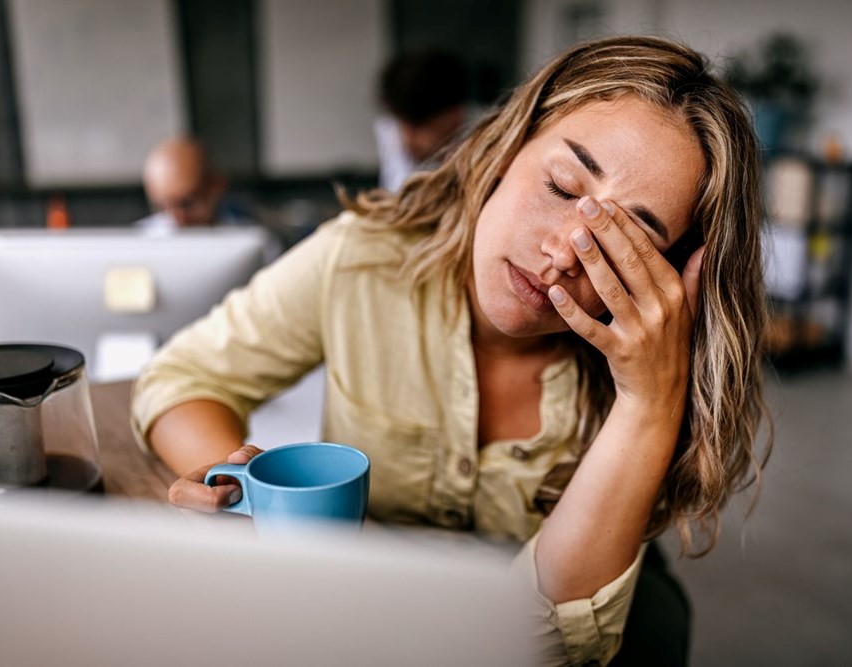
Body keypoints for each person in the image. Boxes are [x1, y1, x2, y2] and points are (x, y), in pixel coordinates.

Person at [132, 36, 770, 666]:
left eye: (625, 242)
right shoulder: (363, 259)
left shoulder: (651, 371)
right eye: (562, 185)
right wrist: (251, 500)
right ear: (504, 149)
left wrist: (649, 402)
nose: (561, 254)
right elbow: (181, 377)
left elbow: (552, 645)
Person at [374, 49, 471, 191]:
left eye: (418, 126)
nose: (408, 138)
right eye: (402, 124)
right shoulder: (391, 130)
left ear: (454, 115)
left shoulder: (485, 138)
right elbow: (398, 195)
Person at [136, 136, 250, 231]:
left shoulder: (249, 233)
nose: (176, 220)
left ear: (216, 186)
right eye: (162, 207)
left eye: (186, 203)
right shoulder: (139, 241)